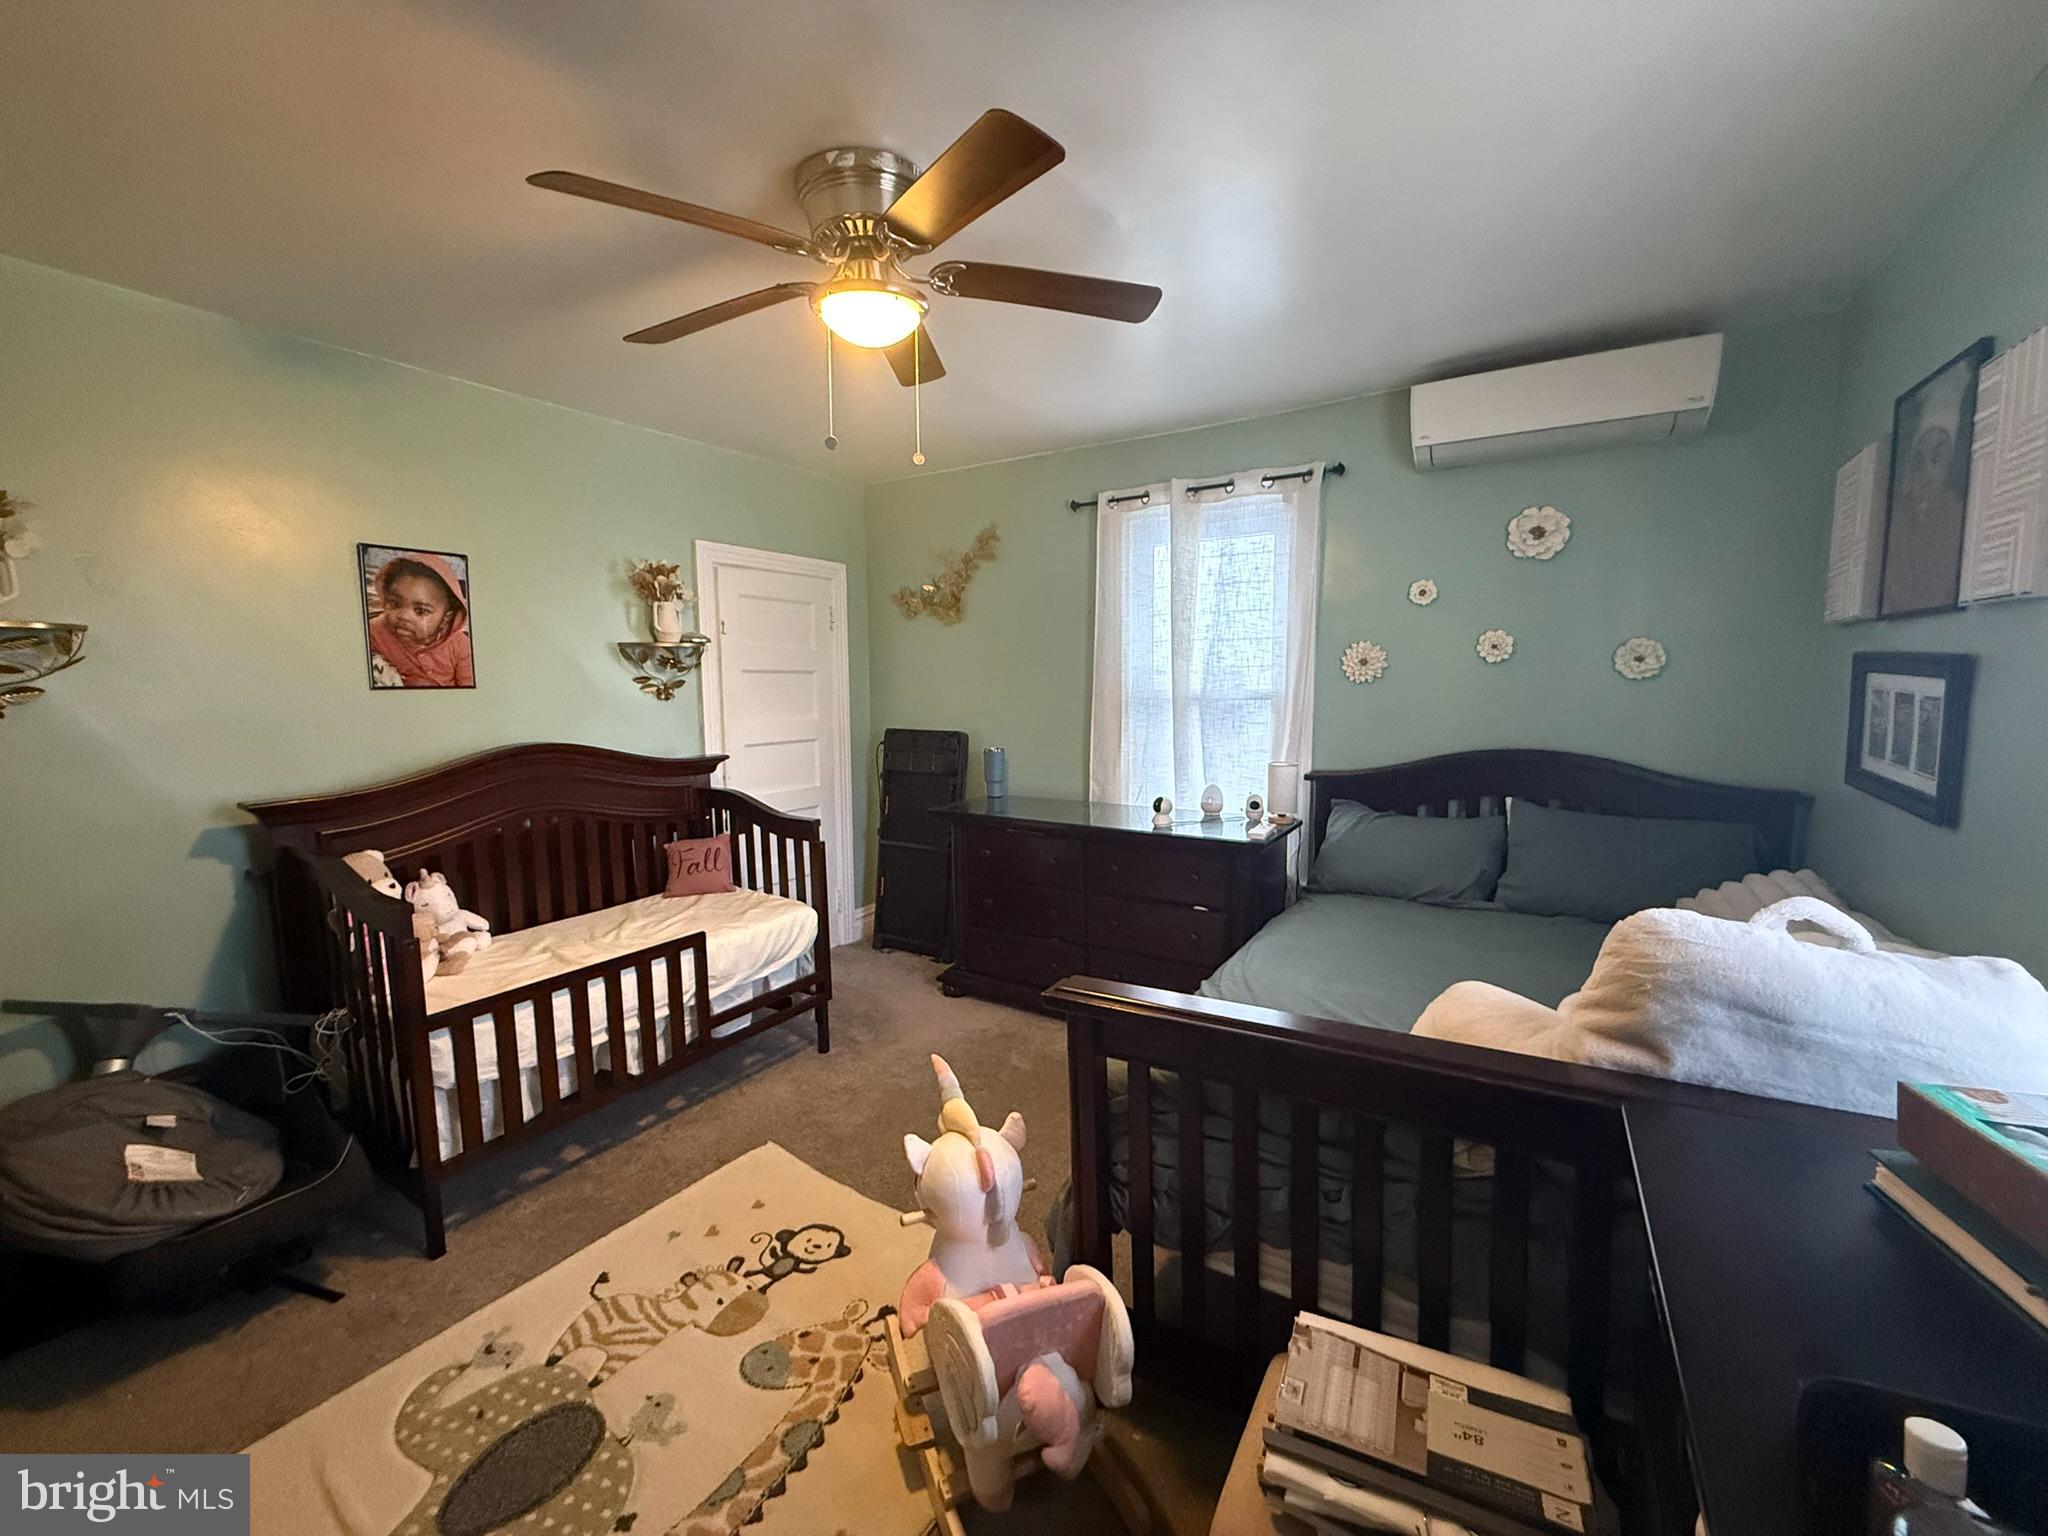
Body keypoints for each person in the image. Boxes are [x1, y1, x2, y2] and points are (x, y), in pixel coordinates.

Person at [367, 551, 473, 687]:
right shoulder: (375, 631)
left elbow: (471, 691)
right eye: (395, 604)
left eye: (421, 611)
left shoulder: (460, 646)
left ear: (446, 618)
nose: (403, 616)